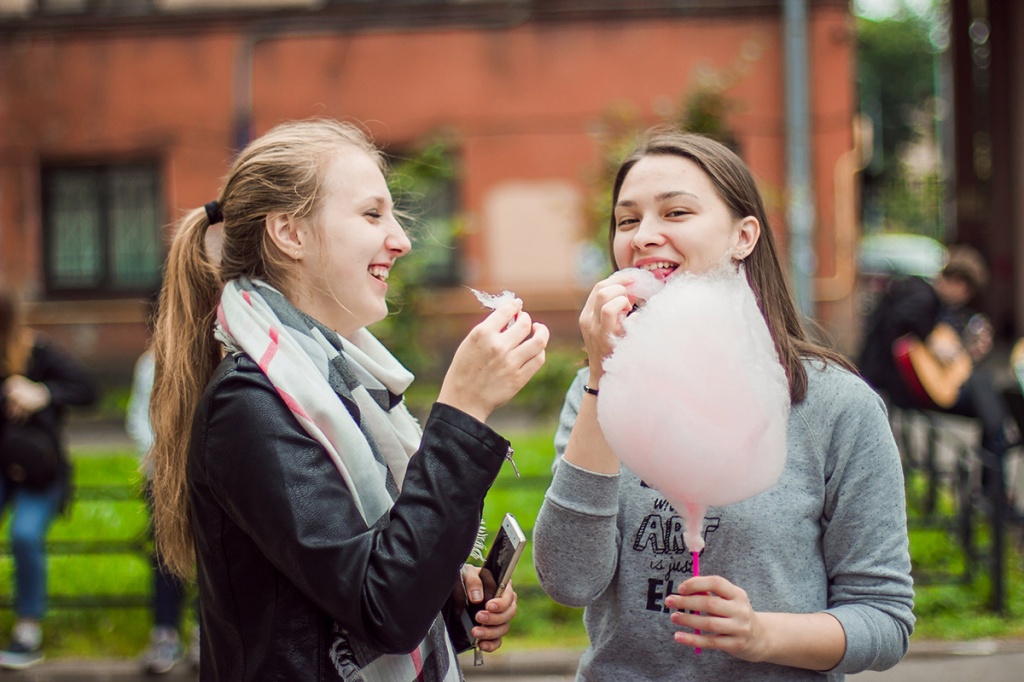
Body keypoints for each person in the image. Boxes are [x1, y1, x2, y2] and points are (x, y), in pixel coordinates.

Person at [148, 118, 549, 681]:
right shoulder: (249, 402)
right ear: (291, 234)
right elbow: (381, 607)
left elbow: (353, 594)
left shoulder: (343, 383)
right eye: (371, 214)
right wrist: (462, 413)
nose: (402, 240)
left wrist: (449, 608)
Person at [532, 129, 915, 680]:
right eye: (627, 220)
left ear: (744, 236)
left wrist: (761, 635)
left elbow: (884, 619)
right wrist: (599, 378)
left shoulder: (837, 406)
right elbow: (569, 580)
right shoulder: (595, 392)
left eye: (676, 212)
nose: (644, 236)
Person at [0, 286, 97, 670]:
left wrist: (41, 393)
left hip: (38, 470)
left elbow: (88, 391)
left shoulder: (37, 352)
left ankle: (28, 628)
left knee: (24, 535)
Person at [858, 245, 1013, 471]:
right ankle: (995, 471)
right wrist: (930, 341)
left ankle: (995, 453)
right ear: (960, 283)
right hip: (903, 388)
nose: (963, 299)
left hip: (906, 385)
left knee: (984, 390)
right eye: (966, 293)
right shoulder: (922, 296)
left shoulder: (921, 295)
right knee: (985, 391)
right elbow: (901, 323)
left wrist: (962, 353)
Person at [126, 338, 199, 674]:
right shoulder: (150, 363)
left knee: (213, 556)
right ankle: (166, 634)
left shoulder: (212, 352)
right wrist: (163, 461)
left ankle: (205, 632)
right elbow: (138, 418)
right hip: (162, 477)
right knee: (166, 557)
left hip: (206, 472)